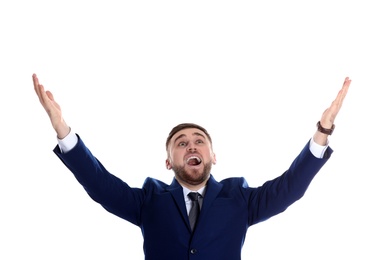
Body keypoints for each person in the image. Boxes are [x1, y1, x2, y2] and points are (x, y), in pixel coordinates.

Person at [32, 73, 351, 260]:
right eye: (181, 143)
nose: (191, 145)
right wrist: (63, 130)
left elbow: (290, 188)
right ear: (169, 161)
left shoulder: (239, 197)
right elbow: (100, 184)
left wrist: (322, 131)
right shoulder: (149, 199)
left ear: (214, 157)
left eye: (199, 141)